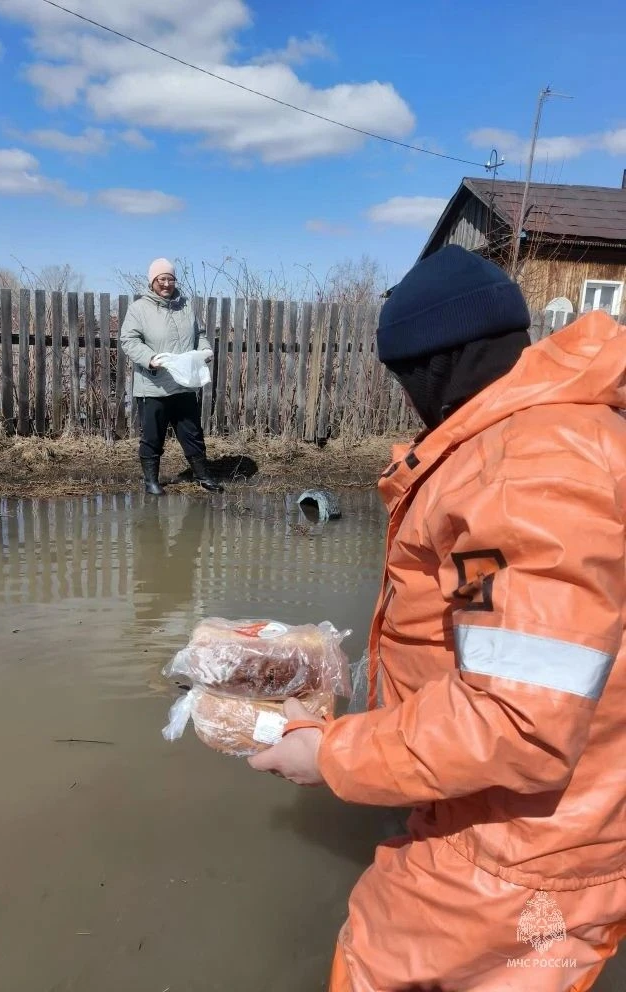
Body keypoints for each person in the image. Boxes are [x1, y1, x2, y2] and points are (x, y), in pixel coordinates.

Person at [249, 245, 626, 991]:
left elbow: (517, 721)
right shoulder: (548, 433)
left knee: (376, 969)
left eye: (404, 382)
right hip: (529, 812)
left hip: (523, 852)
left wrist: (330, 757)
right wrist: (342, 675)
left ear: (435, 368)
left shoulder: (525, 472)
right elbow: (487, 637)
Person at [120, 258, 223, 496]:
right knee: (152, 437)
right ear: (152, 281)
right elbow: (129, 340)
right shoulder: (139, 309)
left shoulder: (185, 306)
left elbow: (200, 334)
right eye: (161, 279)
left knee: (193, 433)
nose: (166, 284)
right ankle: (151, 481)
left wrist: (205, 350)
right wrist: (149, 359)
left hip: (184, 385)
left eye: (170, 279)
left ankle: (202, 475)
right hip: (153, 387)